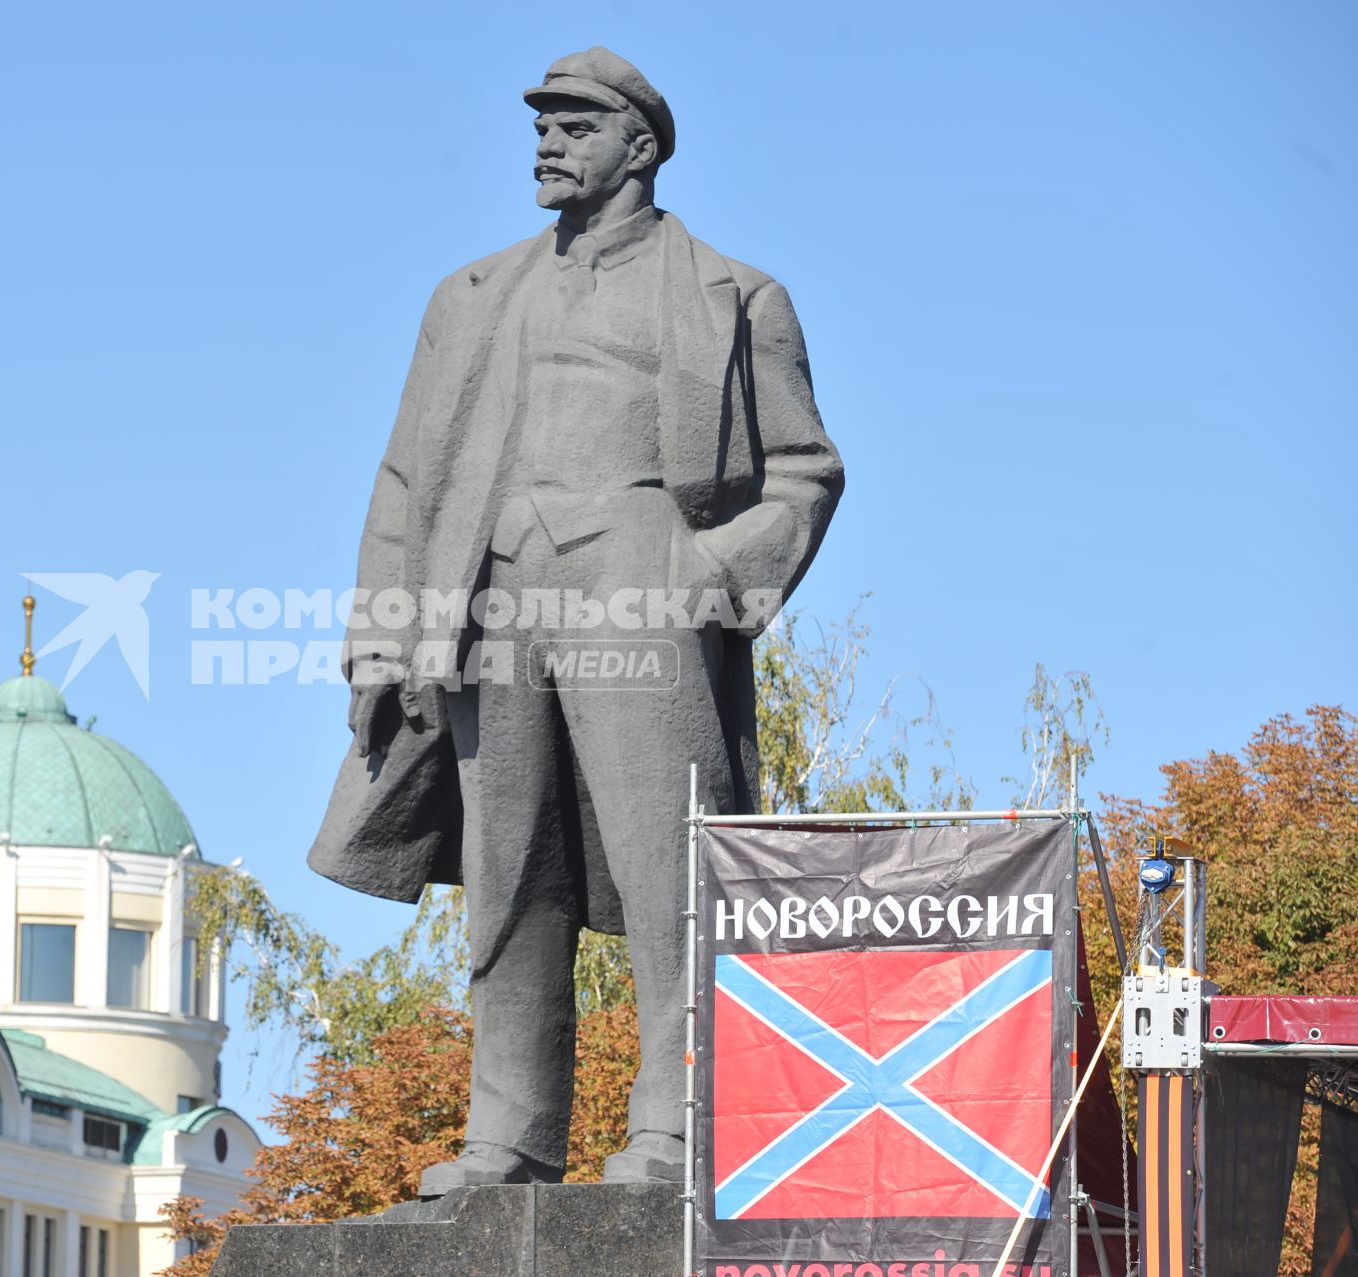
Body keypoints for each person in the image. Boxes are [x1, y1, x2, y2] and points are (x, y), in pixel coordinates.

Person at [308, 46, 844, 1192]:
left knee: (669, 869)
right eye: (542, 128)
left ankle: (675, 1125)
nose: (547, 145)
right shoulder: (471, 295)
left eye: (576, 127)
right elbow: (408, 478)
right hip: (490, 593)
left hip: (646, 582)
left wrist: (708, 578)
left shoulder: (735, 295)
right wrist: (380, 634)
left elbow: (804, 473)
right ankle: (507, 1136)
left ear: (640, 146)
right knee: (510, 871)